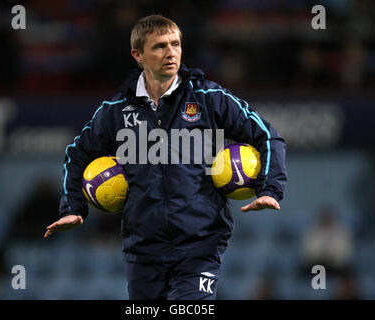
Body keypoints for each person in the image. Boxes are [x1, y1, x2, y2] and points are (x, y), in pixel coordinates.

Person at [44, 15, 288, 300]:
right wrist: (72, 205)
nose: (171, 53)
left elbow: (268, 136)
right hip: (142, 250)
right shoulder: (116, 110)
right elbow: (77, 153)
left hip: (201, 244)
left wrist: (270, 188)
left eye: (176, 44)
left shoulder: (209, 98)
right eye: (160, 46)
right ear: (138, 55)